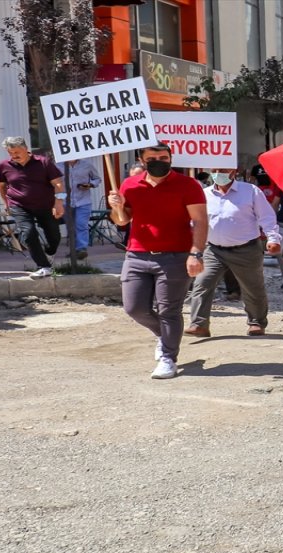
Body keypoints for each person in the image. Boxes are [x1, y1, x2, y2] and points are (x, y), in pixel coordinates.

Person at [106, 143, 208, 379]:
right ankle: (164, 335)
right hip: (136, 255)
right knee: (134, 308)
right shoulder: (130, 184)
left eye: (164, 157)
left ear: (171, 158)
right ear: (142, 161)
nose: (159, 162)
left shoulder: (188, 185)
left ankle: (168, 358)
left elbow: (200, 220)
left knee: (169, 310)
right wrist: (116, 207)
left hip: (175, 257)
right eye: (152, 158)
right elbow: (122, 221)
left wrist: (196, 253)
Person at [185, 168, 283, 338]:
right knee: (202, 283)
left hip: (246, 250)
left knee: (252, 287)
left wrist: (273, 238)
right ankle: (199, 324)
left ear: (233, 171)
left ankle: (256, 322)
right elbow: (195, 221)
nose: (218, 173)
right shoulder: (204, 194)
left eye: (222, 170)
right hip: (214, 250)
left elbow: (266, 216)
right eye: (214, 170)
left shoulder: (250, 191)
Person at [0, 137, 67, 278]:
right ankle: (43, 266)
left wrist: (58, 203)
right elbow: (1, 185)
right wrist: (6, 203)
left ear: (25, 148)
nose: (14, 155)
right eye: (10, 153)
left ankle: (49, 253)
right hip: (19, 205)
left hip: (45, 204)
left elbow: (58, 184)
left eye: (17, 152)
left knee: (54, 236)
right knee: (28, 233)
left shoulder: (43, 162)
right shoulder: (3, 166)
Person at [57, 158, 101, 260]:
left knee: (81, 224)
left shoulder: (87, 164)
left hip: (83, 201)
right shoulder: (58, 165)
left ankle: (81, 249)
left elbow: (97, 179)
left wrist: (90, 185)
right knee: (71, 227)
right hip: (65, 201)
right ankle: (73, 250)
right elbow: (54, 183)